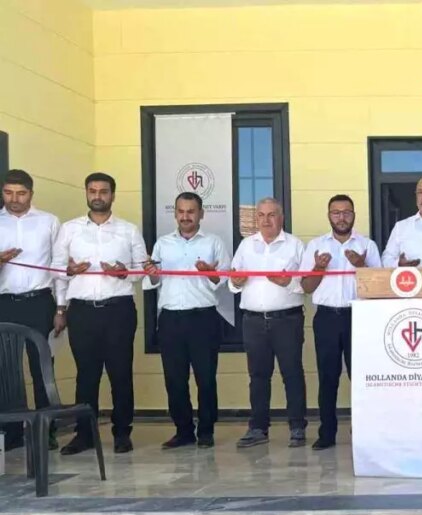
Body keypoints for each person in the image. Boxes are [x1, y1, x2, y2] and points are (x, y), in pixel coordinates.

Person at [52, 172, 148, 455]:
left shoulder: (129, 230)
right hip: (81, 312)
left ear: (112, 196)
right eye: (92, 191)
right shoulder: (69, 229)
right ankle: (85, 435)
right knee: (86, 375)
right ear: (86, 193)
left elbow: (143, 270)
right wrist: (67, 279)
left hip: (118, 311)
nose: (97, 196)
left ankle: (122, 433)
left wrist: (123, 272)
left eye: (103, 191)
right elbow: (55, 270)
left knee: (120, 373)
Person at [142, 192, 228, 449]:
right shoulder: (163, 244)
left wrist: (210, 272)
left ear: (201, 214)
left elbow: (224, 280)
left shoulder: (214, 243)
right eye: (181, 211)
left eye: (191, 211)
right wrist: (152, 273)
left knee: (206, 378)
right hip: (170, 319)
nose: (185, 216)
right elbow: (153, 281)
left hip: (203, 318)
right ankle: (183, 431)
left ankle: (206, 431)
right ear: (175, 213)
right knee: (174, 379)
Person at [300, 194, 381, 451]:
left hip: (359, 317)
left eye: (346, 212)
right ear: (329, 216)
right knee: (328, 377)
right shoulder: (315, 245)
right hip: (326, 318)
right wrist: (318, 268)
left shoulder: (367, 245)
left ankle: (365, 432)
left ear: (354, 215)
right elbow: (306, 287)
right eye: (336, 213)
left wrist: (361, 265)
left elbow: (378, 287)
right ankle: (327, 433)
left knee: (362, 377)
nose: (341, 217)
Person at [229, 197, 307, 449]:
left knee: (292, 374)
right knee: (258, 376)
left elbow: (306, 284)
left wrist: (289, 282)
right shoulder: (246, 245)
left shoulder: (295, 245)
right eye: (261, 215)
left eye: (271, 215)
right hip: (253, 321)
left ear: (281, 218)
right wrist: (236, 282)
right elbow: (233, 280)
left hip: (287, 320)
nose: (266, 220)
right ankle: (258, 428)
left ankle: (297, 428)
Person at [0, 169, 64, 451]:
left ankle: (46, 430)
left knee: (42, 368)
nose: (14, 199)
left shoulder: (49, 222)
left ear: (31, 194)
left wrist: (61, 307)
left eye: (21, 193)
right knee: (7, 370)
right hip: (5, 303)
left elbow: (60, 268)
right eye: (8, 193)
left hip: (40, 302)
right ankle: (11, 432)